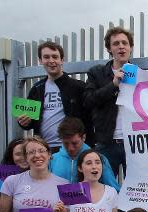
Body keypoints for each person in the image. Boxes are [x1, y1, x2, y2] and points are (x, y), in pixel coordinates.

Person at [17, 41, 89, 153]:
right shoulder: (36, 89)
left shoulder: (78, 87)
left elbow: (89, 119)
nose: (51, 61)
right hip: (43, 149)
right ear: (40, 60)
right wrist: (23, 122)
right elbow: (28, 122)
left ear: (62, 60)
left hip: (71, 148)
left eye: (55, 57)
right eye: (46, 57)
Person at [84, 26, 134, 179]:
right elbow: (88, 100)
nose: (121, 47)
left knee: (134, 192)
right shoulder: (96, 73)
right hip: (106, 143)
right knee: (105, 189)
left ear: (130, 48)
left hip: (133, 144)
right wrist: (113, 85)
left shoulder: (139, 73)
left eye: (125, 43)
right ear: (109, 49)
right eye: (116, 43)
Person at [49, 117, 119, 189]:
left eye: (75, 143)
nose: (70, 148)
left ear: (84, 137)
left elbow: (113, 189)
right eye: (66, 143)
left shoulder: (99, 159)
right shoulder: (53, 160)